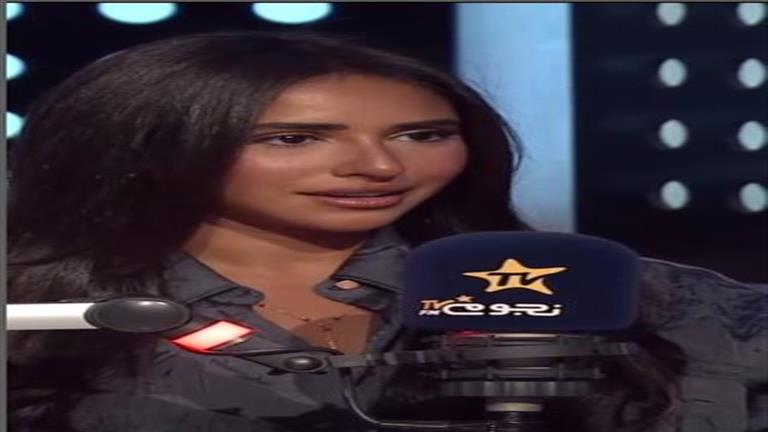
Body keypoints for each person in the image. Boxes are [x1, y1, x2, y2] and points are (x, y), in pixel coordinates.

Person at [7, 31, 766, 432]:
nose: (378, 166)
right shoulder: (40, 316)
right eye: (294, 139)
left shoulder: (629, 294)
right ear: (146, 149)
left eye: (422, 134)